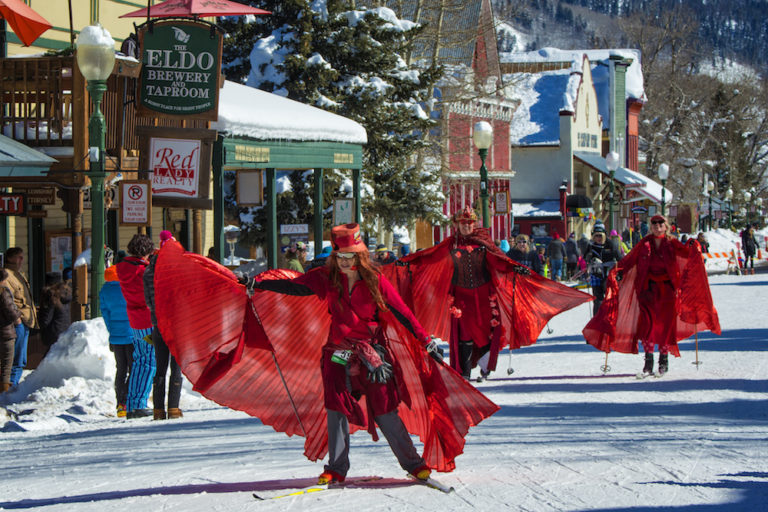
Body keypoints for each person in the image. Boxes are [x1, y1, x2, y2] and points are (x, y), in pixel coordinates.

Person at [152, 224, 500, 483]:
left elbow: (402, 313)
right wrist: (260, 284)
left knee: (384, 410)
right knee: (336, 409)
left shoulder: (376, 282)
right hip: (337, 354)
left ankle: (413, 464)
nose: (345, 262)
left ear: (361, 256)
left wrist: (425, 340)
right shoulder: (326, 278)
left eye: (351, 257)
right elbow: (296, 287)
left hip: (372, 355)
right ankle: (336, 469)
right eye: (341, 256)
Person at [384, 206, 592, 382]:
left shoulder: (483, 243)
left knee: (486, 332)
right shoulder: (450, 245)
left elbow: (497, 261)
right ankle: (464, 373)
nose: (466, 226)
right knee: (464, 334)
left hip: (484, 296)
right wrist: (408, 262)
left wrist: (513, 268)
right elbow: (429, 257)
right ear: (456, 224)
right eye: (463, 223)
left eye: (470, 223)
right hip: (461, 298)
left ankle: (485, 364)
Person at [583, 215, 721, 376]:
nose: (657, 226)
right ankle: (648, 362)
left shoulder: (672, 243)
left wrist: (693, 246)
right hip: (647, 291)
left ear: (666, 225)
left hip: (668, 292)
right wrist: (618, 271)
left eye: (660, 223)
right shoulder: (644, 244)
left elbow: (687, 254)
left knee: (665, 327)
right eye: (654, 223)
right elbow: (629, 259)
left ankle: (663, 361)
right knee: (647, 326)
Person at [144, 230, 184, 420]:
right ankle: (174, 408)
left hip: (158, 323)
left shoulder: (149, 271)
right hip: (176, 323)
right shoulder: (177, 270)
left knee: (160, 367)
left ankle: (158, 410)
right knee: (176, 367)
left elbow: (148, 302)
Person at [116, 234, 156, 419]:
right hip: (147, 320)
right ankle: (138, 404)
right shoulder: (143, 271)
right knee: (148, 362)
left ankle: (132, 403)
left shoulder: (123, 267)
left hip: (134, 320)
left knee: (140, 360)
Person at [100, 265, 133, 418]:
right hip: (131, 333)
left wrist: (111, 330)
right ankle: (130, 400)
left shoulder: (105, 291)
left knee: (121, 370)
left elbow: (105, 314)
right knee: (134, 369)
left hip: (115, 336)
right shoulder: (127, 288)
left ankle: (120, 403)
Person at [3, 247, 38, 387]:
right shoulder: (6, 275)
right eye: (19, 257)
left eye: (22, 257)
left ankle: (13, 385)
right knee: (16, 359)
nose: (21, 260)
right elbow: (7, 299)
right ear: (10, 258)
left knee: (21, 358)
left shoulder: (19, 274)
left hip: (25, 320)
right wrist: (16, 319)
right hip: (17, 321)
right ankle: (10, 386)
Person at [585, 225, 621, 316]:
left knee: (610, 298)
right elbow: (585, 258)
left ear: (604, 235)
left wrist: (621, 273)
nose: (598, 238)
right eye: (596, 236)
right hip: (596, 274)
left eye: (600, 236)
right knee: (597, 300)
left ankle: (612, 319)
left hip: (609, 274)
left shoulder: (610, 244)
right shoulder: (591, 245)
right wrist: (590, 259)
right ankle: (596, 322)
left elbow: (620, 258)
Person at [37, 273, 72, 348]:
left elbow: (45, 320)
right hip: (65, 331)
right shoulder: (66, 295)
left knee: (49, 358)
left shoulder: (51, 296)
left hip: (52, 335)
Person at [0, 269, 21, 393]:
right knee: (6, 366)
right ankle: (3, 395)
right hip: (5, 332)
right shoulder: (3, 291)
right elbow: (10, 311)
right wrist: (19, 314)